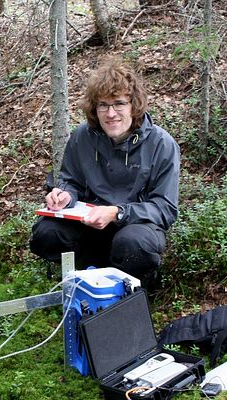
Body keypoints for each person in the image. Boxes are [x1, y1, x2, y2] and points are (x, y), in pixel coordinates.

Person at [29, 58, 180, 290]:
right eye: (103, 105)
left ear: (134, 105)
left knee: (133, 244)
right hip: (90, 222)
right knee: (46, 233)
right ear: (94, 108)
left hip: (136, 225)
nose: (111, 114)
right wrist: (65, 196)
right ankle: (81, 280)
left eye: (119, 104)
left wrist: (118, 212)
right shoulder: (82, 136)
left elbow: (165, 208)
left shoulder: (162, 144)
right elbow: (71, 181)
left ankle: (136, 287)